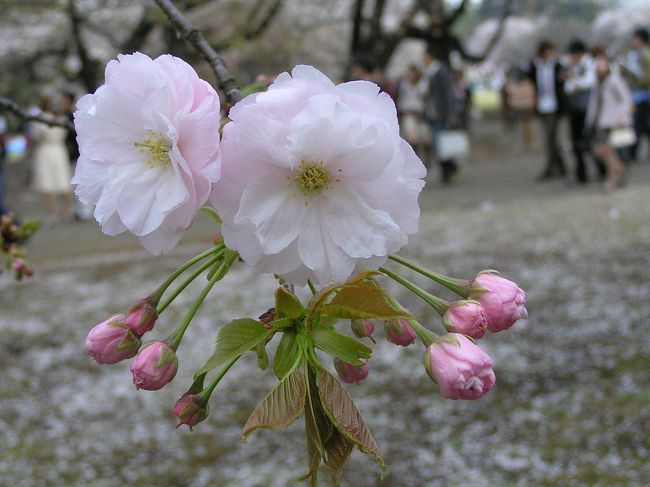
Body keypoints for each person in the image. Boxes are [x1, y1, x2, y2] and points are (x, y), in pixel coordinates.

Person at [585, 54, 633, 192]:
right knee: (605, 151)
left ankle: (613, 177)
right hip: (600, 122)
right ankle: (619, 171)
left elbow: (626, 99)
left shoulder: (614, 80)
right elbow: (594, 104)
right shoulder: (597, 82)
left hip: (612, 121)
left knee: (606, 151)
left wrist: (622, 117)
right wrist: (590, 121)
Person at [564, 39, 606, 183]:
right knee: (576, 143)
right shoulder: (573, 66)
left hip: (588, 110)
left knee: (590, 142)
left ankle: (602, 170)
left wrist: (574, 82)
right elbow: (568, 86)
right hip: (575, 109)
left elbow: (588, 82)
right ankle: (581, 173)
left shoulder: (589, 64)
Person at [529, 40, 567, 180]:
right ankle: (559, 166)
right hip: (542, 106)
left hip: (555, 107)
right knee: (550, 139)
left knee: (551, 138)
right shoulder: (535, 67)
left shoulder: (557, 66)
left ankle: (554, 166)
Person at [32, 98, 72, 222]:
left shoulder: (40, 119)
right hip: (59, 150)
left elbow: (36, 136)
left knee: (47, 184)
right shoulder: (62, 118)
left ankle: (52, 214)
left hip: (45, 150)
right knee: (63, 182)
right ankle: (66, 212)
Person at [423, 46, 458, 184]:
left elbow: (448, 92)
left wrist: (450, 112)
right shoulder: (429, 72)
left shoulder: (440, 71)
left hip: (441, 113)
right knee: (438, 144)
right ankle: (450, 169)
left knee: (439, 144)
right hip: (432, 113)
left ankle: (449, 170)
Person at [620, 28, 650, 162]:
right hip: (637, 94)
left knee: (639, 124)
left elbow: (647, 76)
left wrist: (637, 79)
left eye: (635, 38)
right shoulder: (634, 54)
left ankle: (632, 153)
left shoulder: (644, 54)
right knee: (641, 124)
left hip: (642, 94)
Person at [397, 64, 427, 159]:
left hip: (419, 114)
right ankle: (413, 156)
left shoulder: (422, 84)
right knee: (411, 137)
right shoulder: (405, 85)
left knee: (421, 138)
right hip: (408, 113)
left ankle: (421, 156)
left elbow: (424, 99)